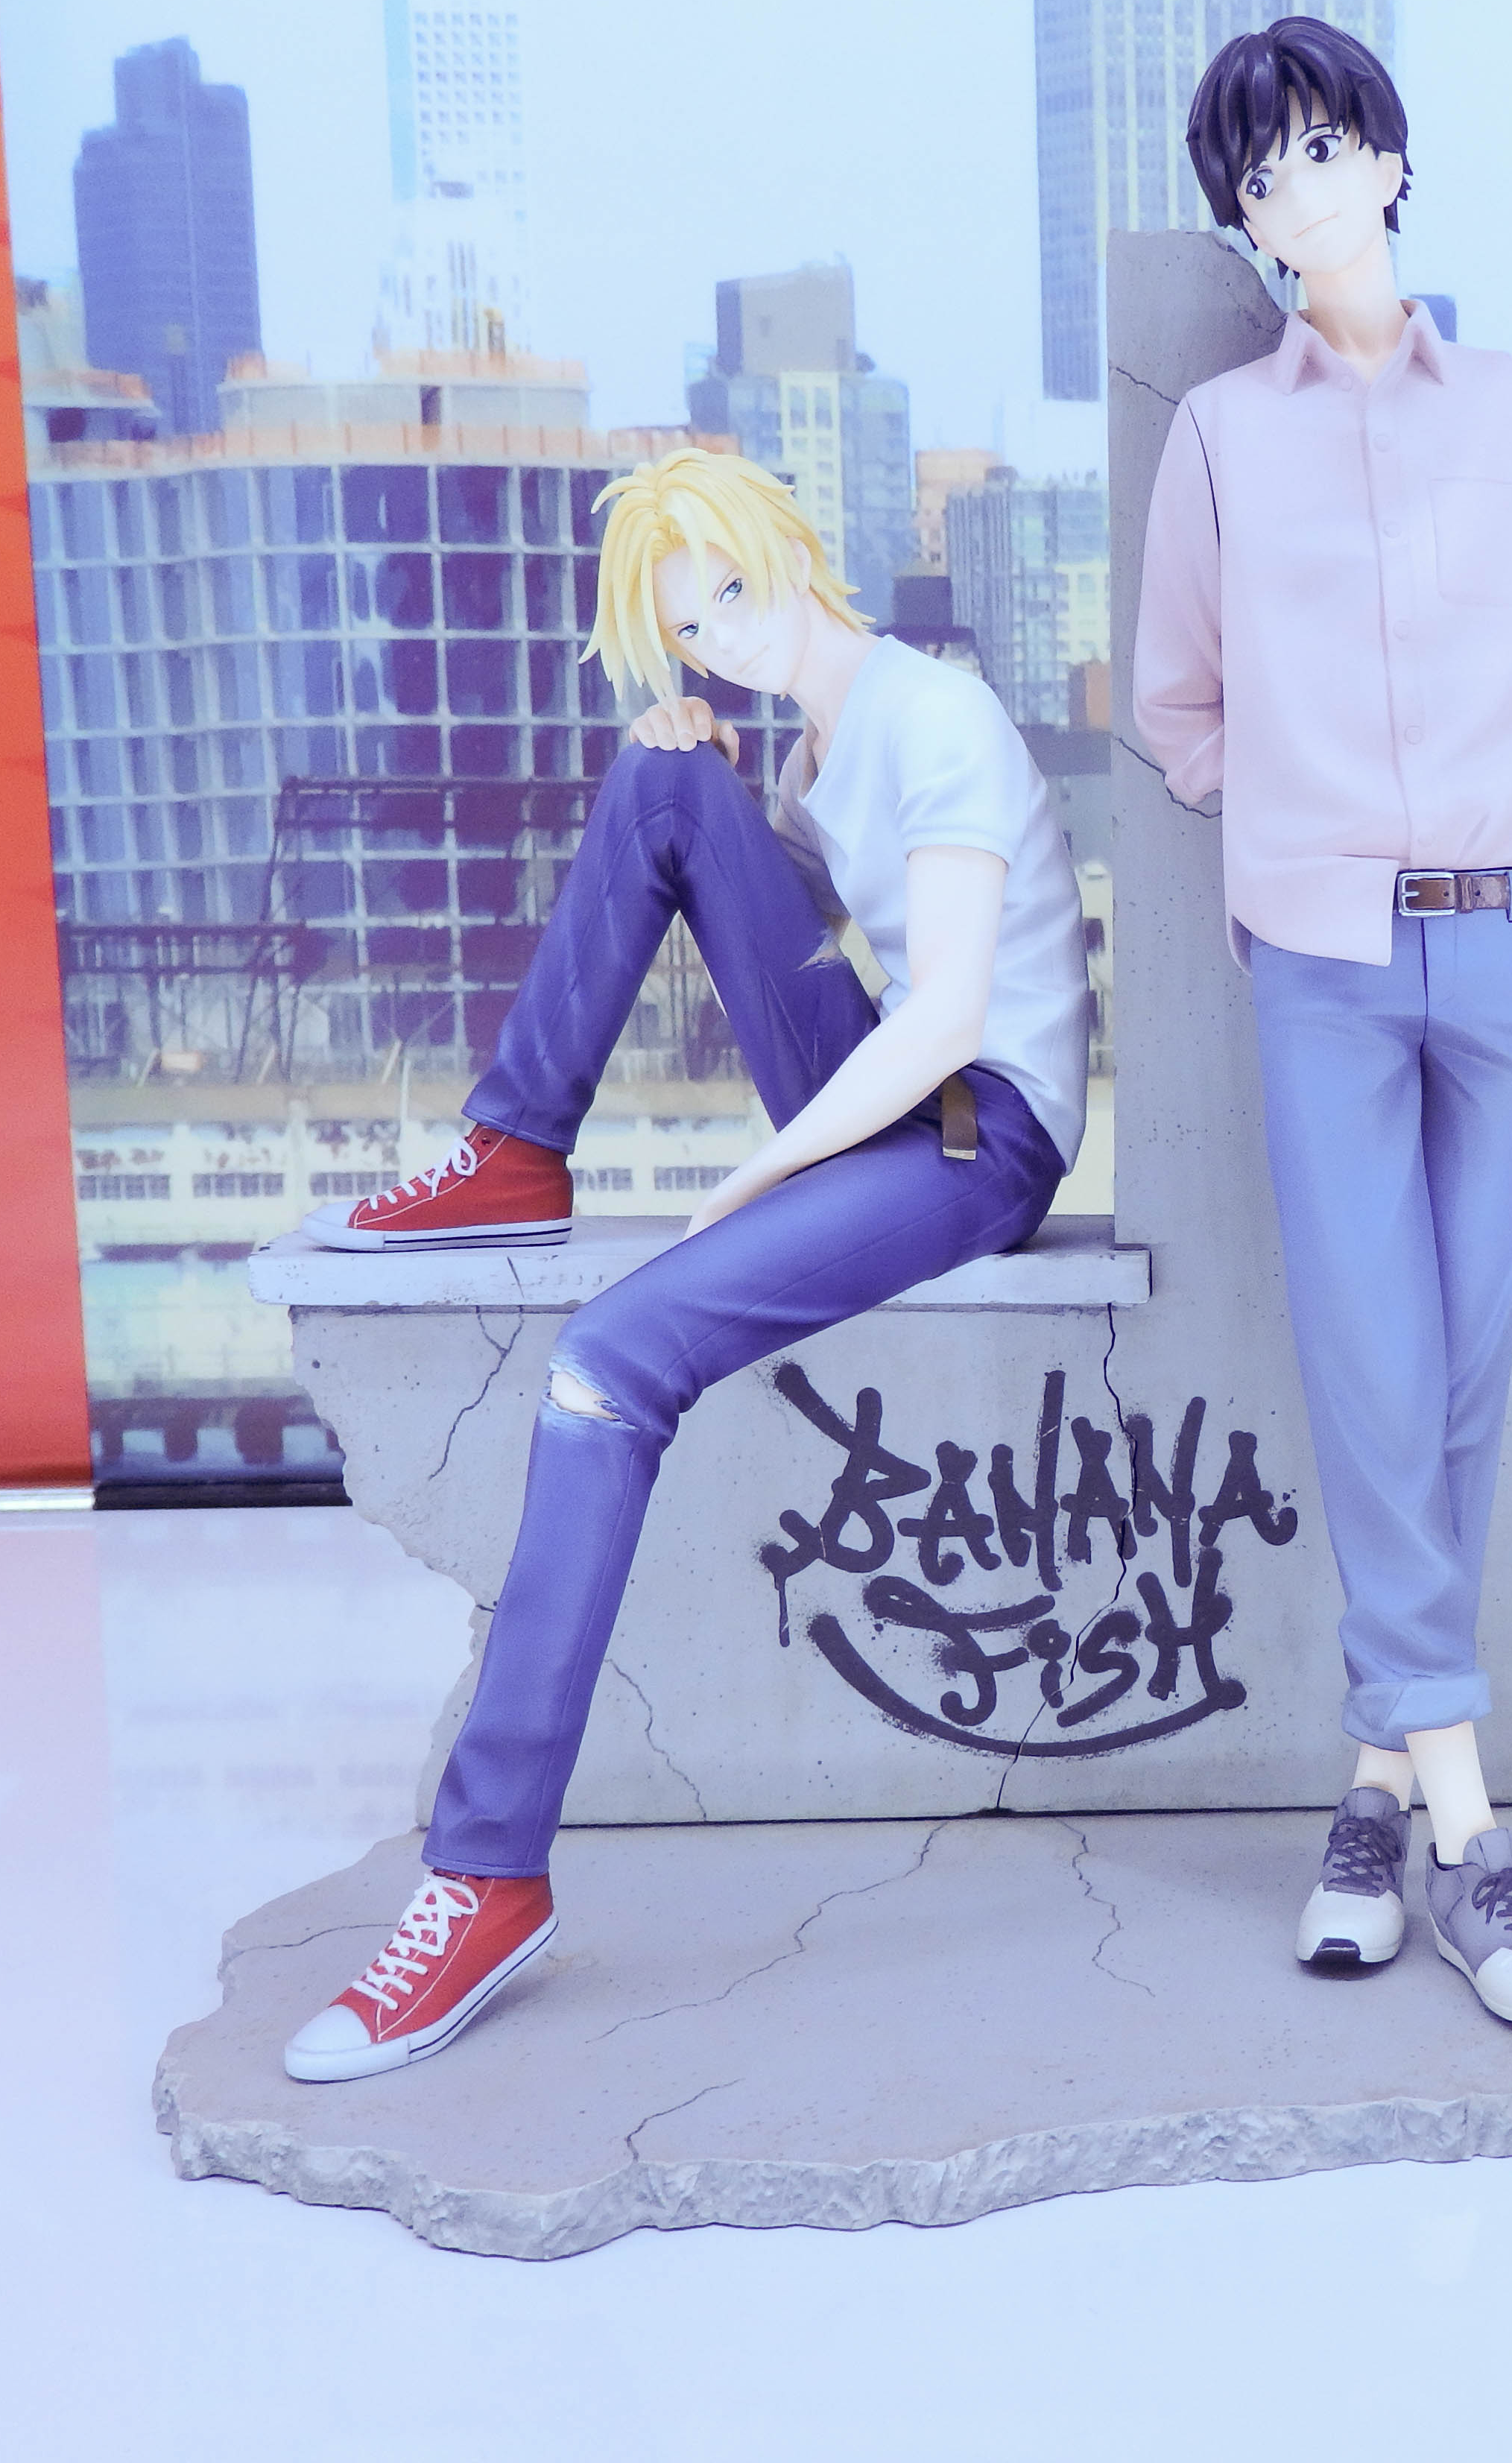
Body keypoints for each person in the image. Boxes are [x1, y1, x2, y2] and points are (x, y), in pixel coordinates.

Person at [279, 449, 1090, 2081]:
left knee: (609, 1357)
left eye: (734, 586)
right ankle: (516, 1147)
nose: (725, 633)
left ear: (797, 546)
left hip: (975, 1130)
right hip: (888, 1104)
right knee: (661, 780)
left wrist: (761, 1175)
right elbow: (809, 946)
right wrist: (706, 773)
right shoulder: (807, 756)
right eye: (692, 626)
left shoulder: (937, 715)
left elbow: (946, 1016)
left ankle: (485, 1881)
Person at [1134, 18, 1512, 2029]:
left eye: (1324, 149)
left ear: (1395, 164)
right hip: (1325, 962)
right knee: (1370, 1362)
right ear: (1247, 226)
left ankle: (1370, 1792)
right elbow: (1179, 711)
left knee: (1459, 1377)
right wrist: (1306, 831)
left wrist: (1496, 810)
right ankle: (1473, 1843)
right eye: (1260, 178)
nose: (1299, 193)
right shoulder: (1220, 440)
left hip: (1509, 944)